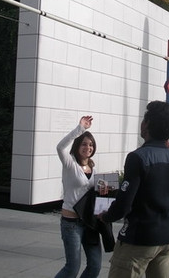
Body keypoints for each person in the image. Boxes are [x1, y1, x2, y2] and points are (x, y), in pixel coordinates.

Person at [99, 101, 169, 278]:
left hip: (138, 238)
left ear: (147, 125)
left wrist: (106, 216)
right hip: (166, 239)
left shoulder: (138, 158)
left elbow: (124, 204)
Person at [55, 115, 102, 278]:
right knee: (72, 268)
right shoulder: (70, 163)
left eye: (91, 145)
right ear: (77, 146)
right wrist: (80, 128)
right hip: (71, 223)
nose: (88, 147)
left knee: (95, 266)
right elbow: (60, 147)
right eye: (84, 144)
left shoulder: (93, 168)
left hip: (89, 222)